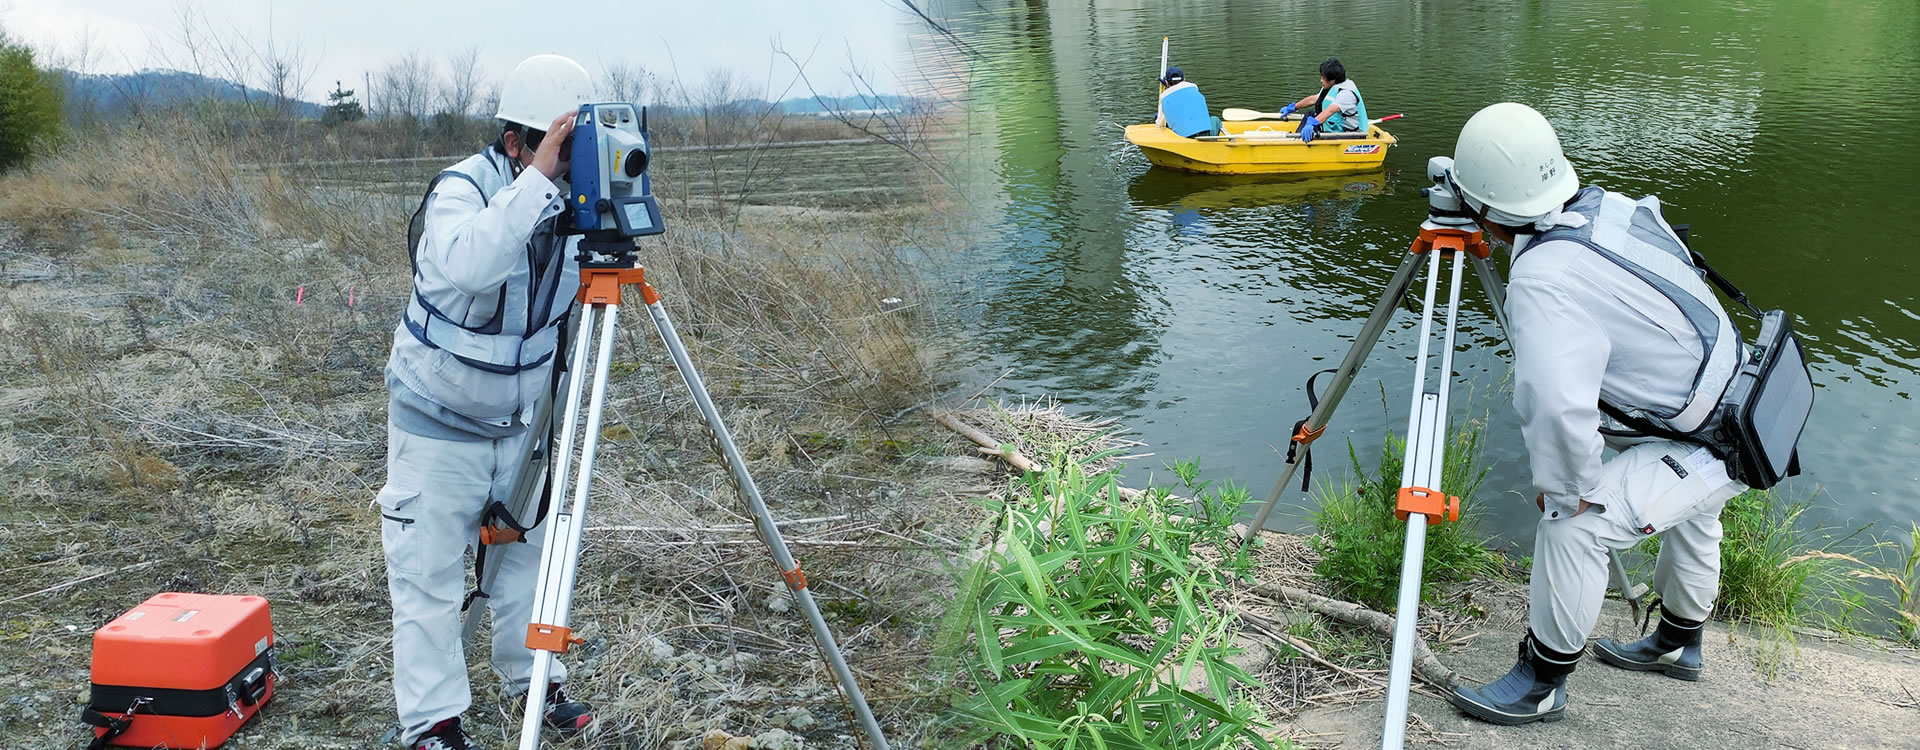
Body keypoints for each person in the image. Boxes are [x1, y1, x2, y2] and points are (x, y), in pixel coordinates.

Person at [1441, 102, 1749, 725]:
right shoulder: (1614, 206)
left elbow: (1557, 405)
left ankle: (1542, 682)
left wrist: (1569, 491)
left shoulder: (1545, 277)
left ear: (1483, 209)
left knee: (1575, 521)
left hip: (1715, 437)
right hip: (1743, 404)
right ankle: (1679, 642)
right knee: (1697, 512)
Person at [378, 54, 598, 750]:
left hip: (522, 425)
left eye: (573, 147)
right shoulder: (461, 191)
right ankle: (434, 723)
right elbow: (472, 263)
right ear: (516, 144)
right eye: (555, 147)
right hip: (438, 424)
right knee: (430, 579)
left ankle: (534, 681)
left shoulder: (571, 202)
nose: (565, 165)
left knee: (526, 563)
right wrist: (541, 182)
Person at [1277, 58, 1366, 143]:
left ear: (1332, 80)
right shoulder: (1333, 86)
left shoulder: (1347, 93)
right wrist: (1293, 107)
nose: (1321, 80)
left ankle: (1301, 143)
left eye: (1323, 77)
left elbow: (1330, 110)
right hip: (1336, 127)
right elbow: (1313, 99)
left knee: (1313, 121)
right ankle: (1299, 139)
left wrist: (1313, 123)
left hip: (1352, 136)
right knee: (1310, 114)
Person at [1155, 65, 1215, 138]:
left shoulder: (1163, 97)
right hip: (1204, 134)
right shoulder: (1194, 87)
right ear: (1184, 79)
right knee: (1215, 119)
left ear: (1167, 82)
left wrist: (1158, 118)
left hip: (1182, 136)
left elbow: (1160, 124)